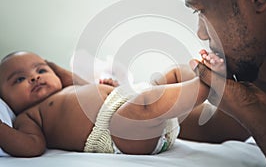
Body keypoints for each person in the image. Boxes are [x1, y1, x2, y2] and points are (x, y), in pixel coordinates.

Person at [179, 0, 266, 167]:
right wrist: (134, 111)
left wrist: (252, 111)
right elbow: (227, 127)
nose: (201, 33)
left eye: (202, 11)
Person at [0, 51, 212, 157]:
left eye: (41, 70)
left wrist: (107, 87)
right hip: (115, 133)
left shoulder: (68, 88)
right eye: (19, 79)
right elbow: (31, 146)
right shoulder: (28, 116)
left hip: (129, 104)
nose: (35, 78)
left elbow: (79, 84)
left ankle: (202, 74)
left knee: (173, 73)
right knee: (146, 102)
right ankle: (206, 84)